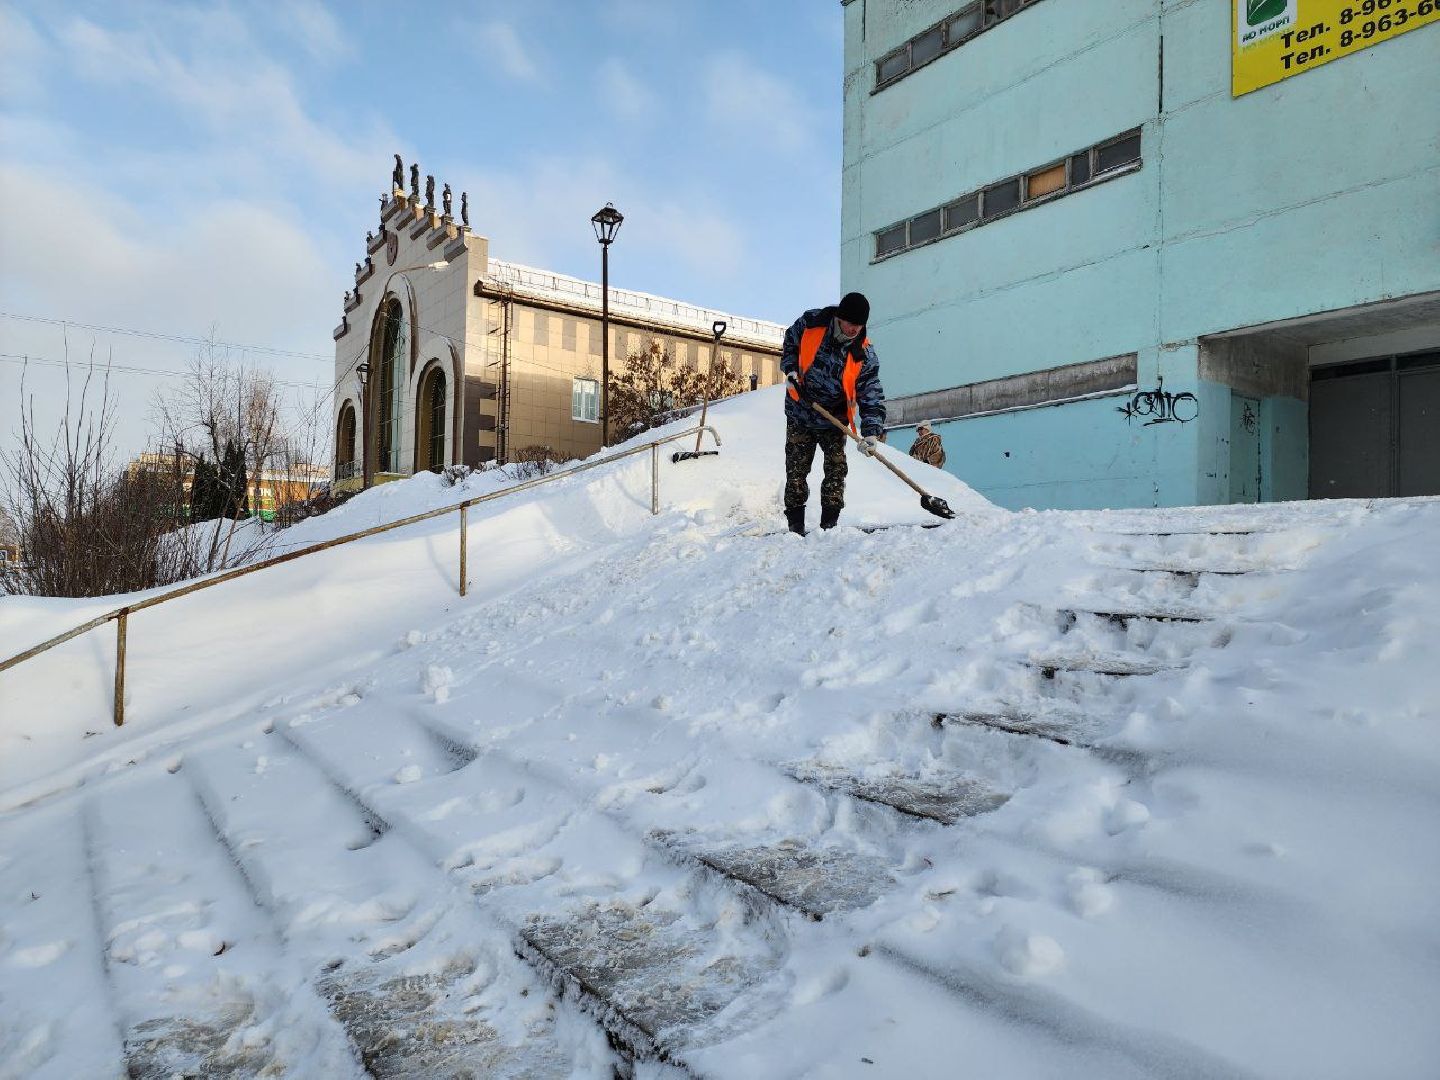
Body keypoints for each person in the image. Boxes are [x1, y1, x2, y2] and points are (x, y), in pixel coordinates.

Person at [780, 292, 886, 535]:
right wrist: (791, 371)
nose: (853, 330)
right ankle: (795, 528)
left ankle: (829, 527)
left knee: (836, 471)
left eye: (858, 326)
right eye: (850, 324)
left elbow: (871, 393)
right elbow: (790, 345)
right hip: (801, 412)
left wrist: (871, 433)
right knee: (796, 471)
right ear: (840, 317)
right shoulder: (811, 324)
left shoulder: (864, 354)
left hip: (835, 420)